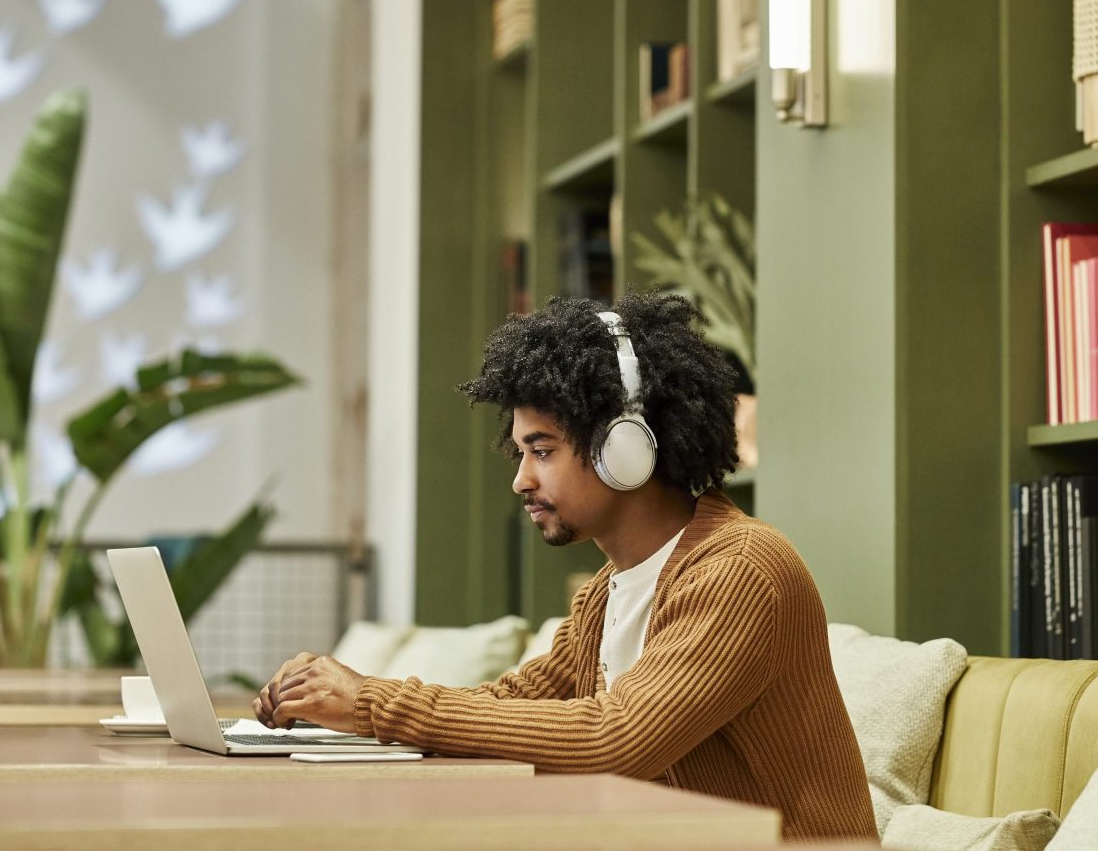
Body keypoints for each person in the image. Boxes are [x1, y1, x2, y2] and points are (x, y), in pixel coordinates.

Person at [254, 291, 877, 841]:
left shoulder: (741, 571)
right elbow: (508, 704)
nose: (521, 480)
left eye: (543, 451)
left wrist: (372, 703)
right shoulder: (606, 595)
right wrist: (338, 708)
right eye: (522, 453)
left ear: (626, 449)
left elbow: (614, 739)